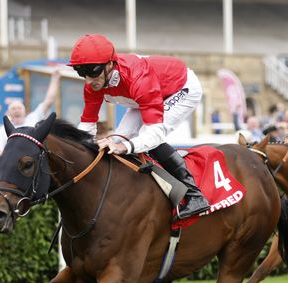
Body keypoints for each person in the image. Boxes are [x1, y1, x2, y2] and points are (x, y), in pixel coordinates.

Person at [67, 34, 209, 219]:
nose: (88, 80)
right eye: (81, 72)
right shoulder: (94, 83)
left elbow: (155, 133)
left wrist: (124, 146)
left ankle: (194, 194)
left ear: (110, 64)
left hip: (181, 87)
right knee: (116, 139)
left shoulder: (137, 78)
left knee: (141, 139)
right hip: (143, 96)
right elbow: (87, 126)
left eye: (92, 71)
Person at [0, 69, 61, 160]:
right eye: (13, 109)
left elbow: (48, 101)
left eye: (19, 108)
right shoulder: (3, 129)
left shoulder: (33, 118)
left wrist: (54, 79)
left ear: (25, 112)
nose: (17, 110)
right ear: (9, 113)